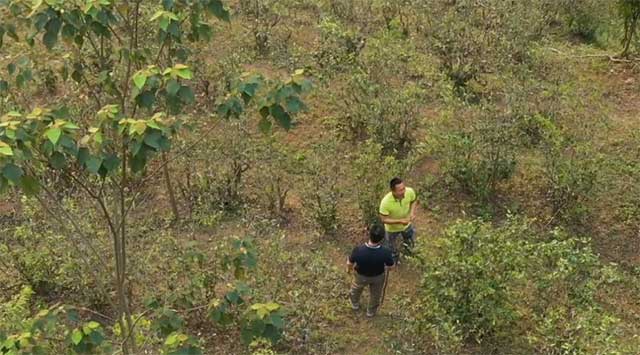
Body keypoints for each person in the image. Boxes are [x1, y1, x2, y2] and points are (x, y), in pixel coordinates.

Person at [347, 225, 395, 317]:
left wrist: (349, 270)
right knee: (376, 295)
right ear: (382, 239)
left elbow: (350, 263)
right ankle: (370, 312)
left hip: (361, 276)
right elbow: (391, 266)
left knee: (356, 289)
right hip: (378, 277)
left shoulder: (359, 250)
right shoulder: (385, 252)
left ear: (369, 235)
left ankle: (354, 304)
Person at [379, 177, 418, 262]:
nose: (403, 191)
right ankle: (394, 258)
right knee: (391, 246)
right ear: (393, 191)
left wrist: (412, 212)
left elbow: (414, 200)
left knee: (410, 240)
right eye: (400, 190)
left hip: (407, 225)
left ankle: (409, 253)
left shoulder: (409, 192)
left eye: (404, 188)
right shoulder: (385, 202)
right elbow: (383, 219)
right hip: (391, 230)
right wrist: (400, 221)